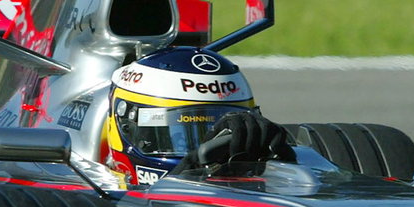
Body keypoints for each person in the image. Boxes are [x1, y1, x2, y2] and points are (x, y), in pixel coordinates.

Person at [99, 47, 293, 186]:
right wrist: (192, 167)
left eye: (224, 134)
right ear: (127, 126)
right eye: (180, 136)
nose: (213, 147)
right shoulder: (93, 197)